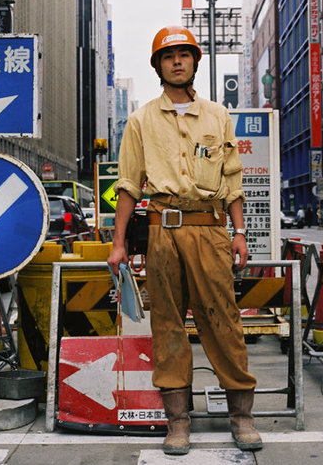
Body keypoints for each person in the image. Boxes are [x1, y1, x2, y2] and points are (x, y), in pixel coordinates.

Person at [107, 25, 262, 455]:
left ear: (195, 62)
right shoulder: (139, 121)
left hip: (210, 230)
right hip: (161, 230)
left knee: (223, 321)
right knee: (168, 327)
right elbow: (128, 185)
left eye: (184, 54)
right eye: (168, 55)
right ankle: (178, 423)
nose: (177, 61)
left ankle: (242, 417)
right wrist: (118, 243)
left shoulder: (217, 116)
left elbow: (232, 178)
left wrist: (240, 233)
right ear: (158, 65)